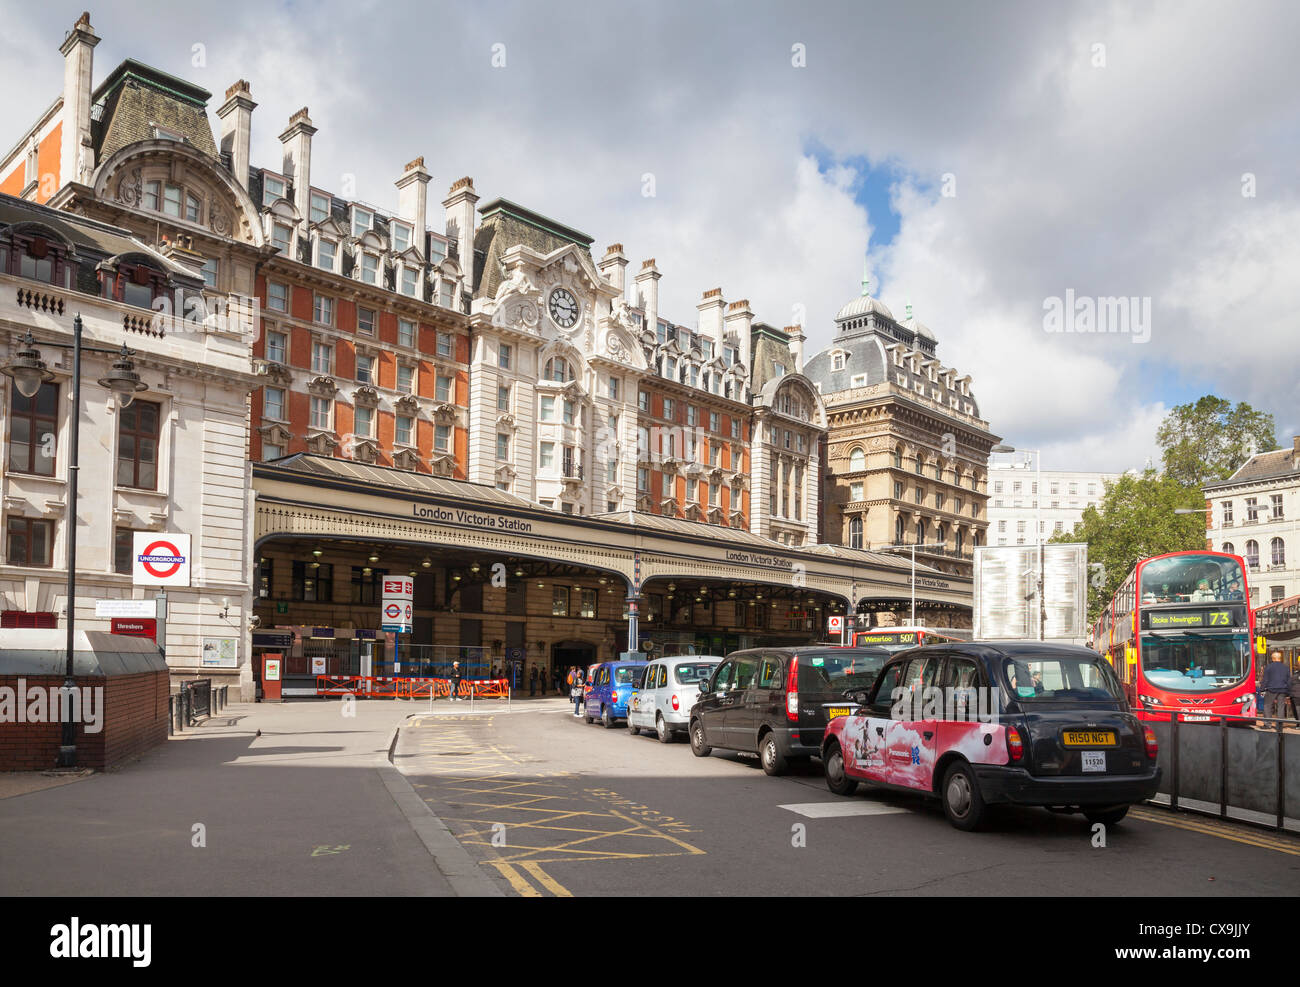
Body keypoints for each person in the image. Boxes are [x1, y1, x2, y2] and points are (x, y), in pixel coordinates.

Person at [1260, 650, 1291, 721]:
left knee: (1267, 706)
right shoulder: (1286, 667)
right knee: (1281, 707)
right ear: (1280, 658)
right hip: (1282, 690)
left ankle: (1268, 724)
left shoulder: (1269, 667)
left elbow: (1265, 679)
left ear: (1273, 658)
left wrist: (1262, 689)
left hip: (1271, 689)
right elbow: (1288, 680)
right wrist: (1288, 692)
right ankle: (1280, 725)